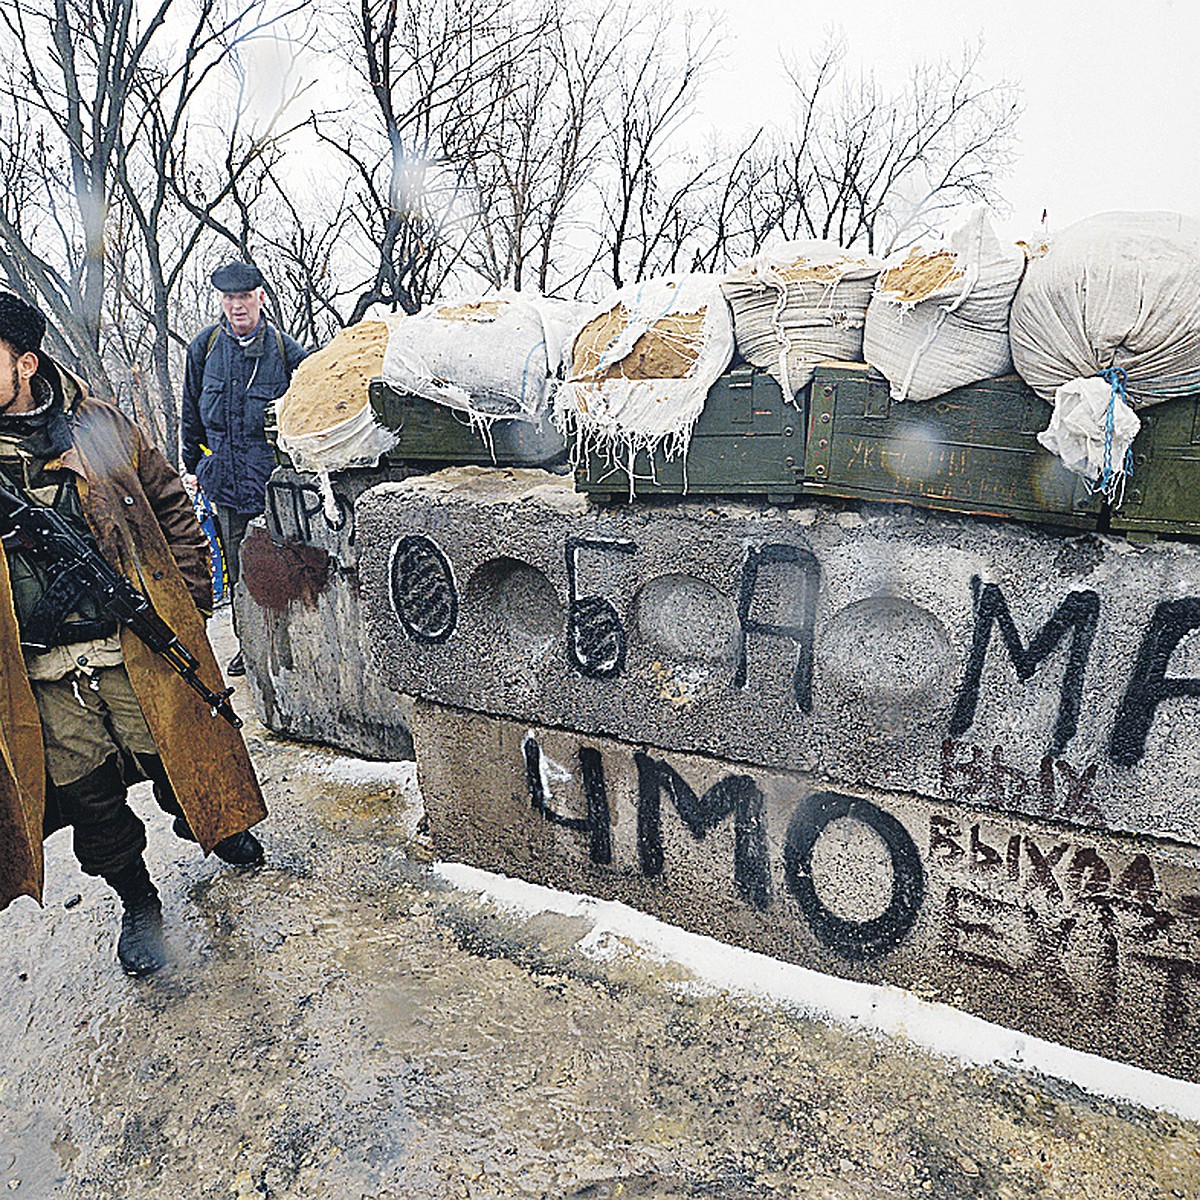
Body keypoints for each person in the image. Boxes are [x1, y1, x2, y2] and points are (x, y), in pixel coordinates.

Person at [0, 293, 267, 977]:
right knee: (90, 797)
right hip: (39, 667)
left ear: (26, 363)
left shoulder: (97, 425)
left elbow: (171, 502)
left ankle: (210, 819)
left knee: (180, 751)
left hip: (132, 643)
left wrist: (193, 599)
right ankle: (138, 901)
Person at [181, 261, 307, 675]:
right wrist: (195, 463)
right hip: (226, 483)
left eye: (245, 297)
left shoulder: (286, 351)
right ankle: (248, 645)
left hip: (274, 486)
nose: (237, 306)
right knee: (238, 570)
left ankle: (289, 646)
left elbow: (308, 410)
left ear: (260, 298)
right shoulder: (204, 347)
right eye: (229, 297)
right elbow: (191, 415)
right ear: (222, 300)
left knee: (284, 566)